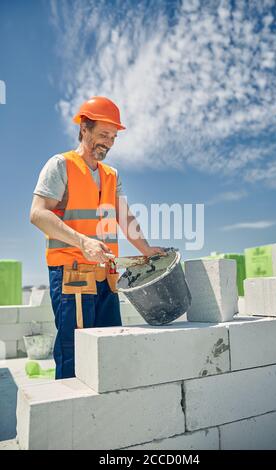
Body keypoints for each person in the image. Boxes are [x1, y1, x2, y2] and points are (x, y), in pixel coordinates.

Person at [30, 96, 165, 379]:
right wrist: (83, 242)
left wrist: (147, 249)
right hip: (73, 277)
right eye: (104, 134)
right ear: (84, 129)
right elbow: (38, 214)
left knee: (108, 352)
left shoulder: (111, 175)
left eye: (114, 136)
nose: (109, 142)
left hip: (107, 277)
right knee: (75, 356)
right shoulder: (60, 165)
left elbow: (125, 217)